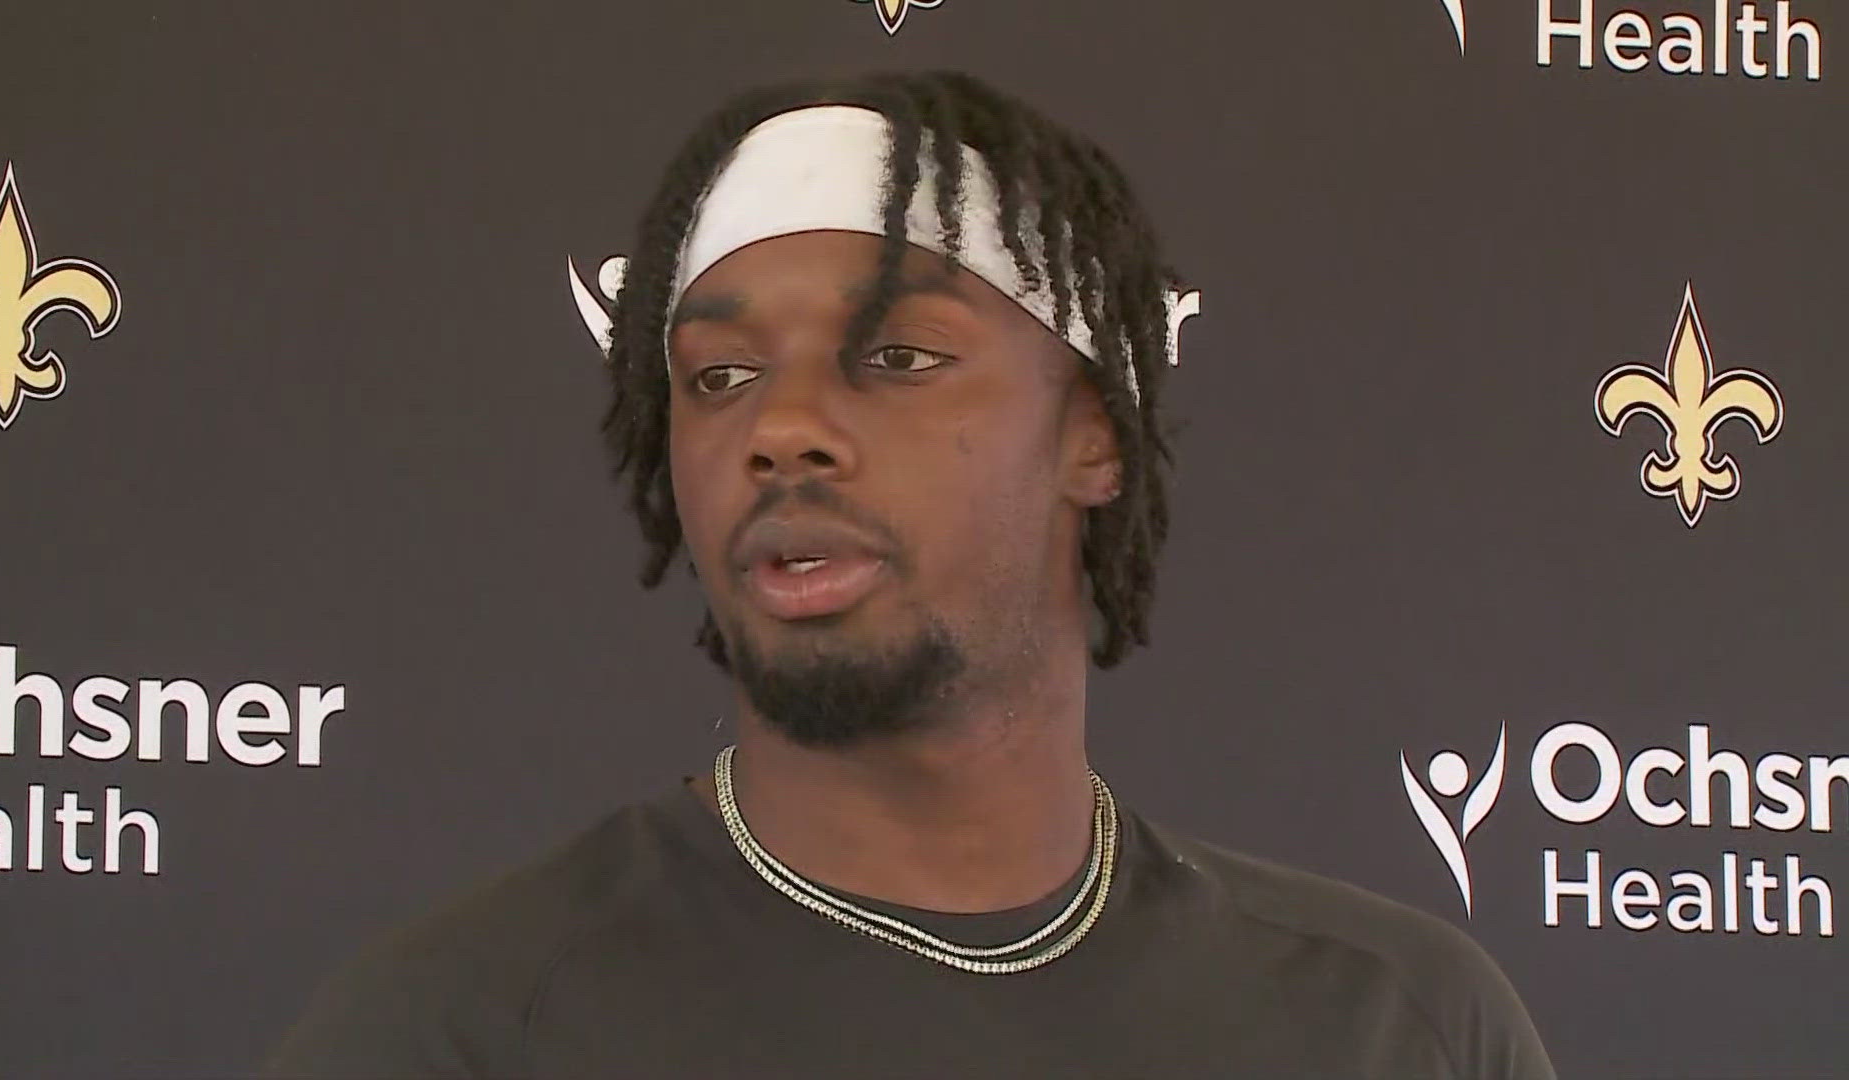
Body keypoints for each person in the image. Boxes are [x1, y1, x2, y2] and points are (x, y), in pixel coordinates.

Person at [265, 69, 1557, 1079]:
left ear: (1091, 433)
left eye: (896, 357)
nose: (782, 429)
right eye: (719, 378)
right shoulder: (462, 1032)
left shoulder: (1400, 1031)